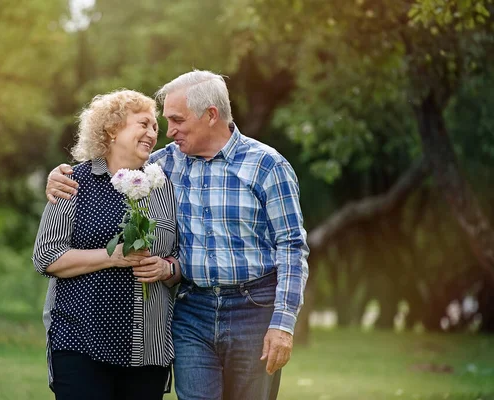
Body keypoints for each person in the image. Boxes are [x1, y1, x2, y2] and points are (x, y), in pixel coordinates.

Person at [46, 71, 309, 400]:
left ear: (211, 115)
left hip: (253, 310)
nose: (167, 132)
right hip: (192, 311)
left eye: (176, 120)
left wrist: (282, 325)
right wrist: (60, 175)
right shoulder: (160, 168)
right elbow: (111, 164)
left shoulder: (267, 166)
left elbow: (292, 248)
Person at [33, 89, 181, 400]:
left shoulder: (163, 185)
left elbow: (178, 255)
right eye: (143, 124)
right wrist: (110, 257)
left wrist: (167, 268)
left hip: (146, 347)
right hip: (80, 341)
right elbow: (46, 256)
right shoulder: (74, 181)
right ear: (113, 129)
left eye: (155, 126)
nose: (153, 133)